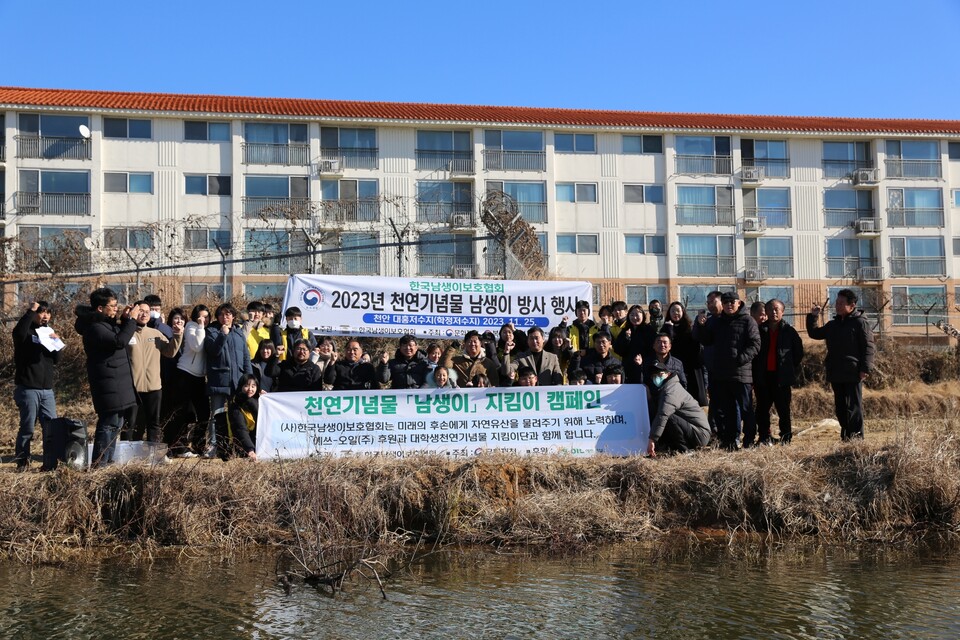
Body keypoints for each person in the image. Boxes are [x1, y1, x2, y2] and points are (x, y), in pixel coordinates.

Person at [75, 288, 138, 467]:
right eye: (112, 306)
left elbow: (117, 334)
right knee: (108, 423)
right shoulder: (94, 328)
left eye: (116, 305)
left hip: (115, 382)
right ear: (100, 309)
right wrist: (131, 320)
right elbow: (119, 341)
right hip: (107, 382)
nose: (115, 309)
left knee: (116, 424)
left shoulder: (104, 323)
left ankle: (107, 460)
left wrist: (125, 320)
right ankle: (99, 463)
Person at [693, 291, 760, 450]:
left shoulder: (747, 320)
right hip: (722, 375)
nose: (729, 305)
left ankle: (749, 440)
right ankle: (731, 441)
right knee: (728, 411)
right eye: (726, 302)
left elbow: (755, 344)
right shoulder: (718, 322)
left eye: (732, 302)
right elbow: (706, 340)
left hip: (741, 374)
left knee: (746, 409)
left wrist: (739, 360)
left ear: (739, 303)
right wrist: (701, 326)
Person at [806, 289, 876, 441]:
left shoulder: (860, 323)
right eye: (836, 303)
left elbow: (869, 346)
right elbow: (815, 334)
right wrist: (813, 317)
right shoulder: (833, 325)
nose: (837, 306)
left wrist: (865, 368)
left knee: (854, 407)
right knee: (840, 408)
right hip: (836, 371)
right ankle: (846, 437)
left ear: (852, 305)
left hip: (853, 371)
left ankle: (857, 439)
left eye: (841, 303)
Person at [12, 301, 61, 470]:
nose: (45, 316)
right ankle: (22, 462)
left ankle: (49, 463)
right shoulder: (26, 332)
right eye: (41, 312)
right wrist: (30, 311)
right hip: (28, 388)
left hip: (47, 390)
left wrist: (57, 343)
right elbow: (18, 333)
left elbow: (56, 360)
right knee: (27, 427)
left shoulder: (48, 332)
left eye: (48, 313)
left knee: (51, 427)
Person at [125, 301, 183, 444]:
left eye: (147, 311)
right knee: (131, 424)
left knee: (154, 423)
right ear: (133, 312)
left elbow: (170, 352)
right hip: (133, 388)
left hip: (154, 387)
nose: (144, 314)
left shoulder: (156, 333)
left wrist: (177, 335)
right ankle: (128, 456)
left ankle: (153, 455)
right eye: (140, 311)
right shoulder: (126, 333)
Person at [205, 303, 253, 457]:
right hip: (219, 379)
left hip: (237, 380)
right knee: (217, 415)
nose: (225, 317)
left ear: (233, 316)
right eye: (221, 315)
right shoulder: (212, 331)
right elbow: (213, 351)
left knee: (238, 415)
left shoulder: (239, 333)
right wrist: (223, 335)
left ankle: (236, 446)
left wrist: (249, 378)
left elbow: (246, 357)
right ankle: (214, 446)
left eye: (228, 314)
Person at [755, 299, 804, 444]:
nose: (773, 312)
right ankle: (764, 437)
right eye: (770, 309)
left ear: (782, 311)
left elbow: (798, 353)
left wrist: (787, 367)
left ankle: (786, 437)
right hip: (763, 377)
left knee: (783, 410)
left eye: (776, 309)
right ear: (766, 312)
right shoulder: (760, 330)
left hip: (781, 377)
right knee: (762, 409)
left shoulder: (789, 331)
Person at [169, 304, 210, 458]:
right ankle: (180, 447)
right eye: (200, 316)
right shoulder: (191, 327)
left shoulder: (207, 329)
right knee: (184, 413)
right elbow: (197, 346)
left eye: (206, 317)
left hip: (200, 377)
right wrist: (200, 325)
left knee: (204, 413)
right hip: (185, 374)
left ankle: (199, 446)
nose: (203, 319)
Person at [646, 364, 712, 457]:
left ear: (668, 374)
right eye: (654, 376)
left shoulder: (671, 390)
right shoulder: (666, 388)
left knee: (668, 417)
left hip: (700, 434)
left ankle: (685, 450)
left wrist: (652, 439)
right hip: (692, 429)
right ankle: (674, 446)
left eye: (660, 374)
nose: (656, 378)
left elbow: (663, 415)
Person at [660, 301, 707, 406]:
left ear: (683, 312)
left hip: (691, 367)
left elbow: (697, 346)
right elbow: (666, 346)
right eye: (672, 311)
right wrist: (669, 329)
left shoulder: (690, 327)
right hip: (673, 368)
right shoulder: (665, 328)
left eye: (678, 310)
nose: (675, 313)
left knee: (693, 400)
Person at [613, 305, 656, 384]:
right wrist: (626, 338)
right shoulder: (625, 330)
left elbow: (653, 350)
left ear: (643, 315)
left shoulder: (649, 330)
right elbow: (618, 349)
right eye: (632, 315)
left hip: (645, 368)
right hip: (628, 368)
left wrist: (643, 360)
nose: (635, 317)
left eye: (637, 314)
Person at [225, 373, 259, 460]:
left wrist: (266, 398)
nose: (250, 389)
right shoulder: (235, 405)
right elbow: (240, 429)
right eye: (246, 386)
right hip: (241, 446)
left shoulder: (258, 402)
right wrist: (250, 450)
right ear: (241, 386)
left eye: (253, 386)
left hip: (257, 445)